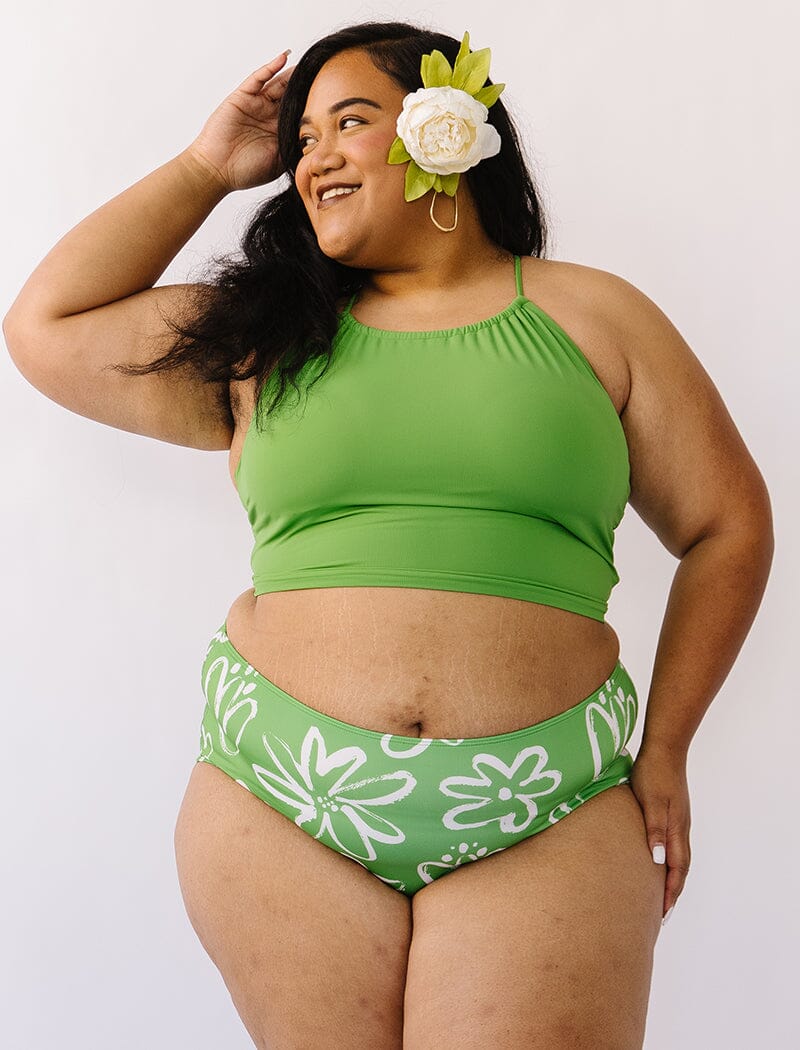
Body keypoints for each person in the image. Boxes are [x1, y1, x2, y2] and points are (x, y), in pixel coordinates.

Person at [3, 19, 774, 1050]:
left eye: (349, 121)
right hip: (280, 795)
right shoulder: (263, 336)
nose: (313, 156)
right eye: (302, 139)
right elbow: (44, 327)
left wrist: (667, 746)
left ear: (445, 127)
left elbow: (727, 525)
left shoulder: (596, 317)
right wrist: (205, 168)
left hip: (549, 803)